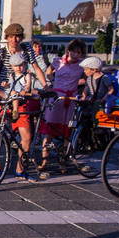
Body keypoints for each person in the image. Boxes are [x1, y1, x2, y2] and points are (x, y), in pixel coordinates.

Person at [38, 38, 86, 172]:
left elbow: (88, 76)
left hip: (70, 99)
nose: (76, 55)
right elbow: (48, 72)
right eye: (74, 52)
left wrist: (79, 83)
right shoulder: (57, 61)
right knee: (49, 132)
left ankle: (62, 164)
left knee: (67, 134)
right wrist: (53, 80)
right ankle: (44, 162)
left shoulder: (82, 64)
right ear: (68, 50)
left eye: (79, 53)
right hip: (56, 97)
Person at [0, 24, 48, 120]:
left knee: (24, 128)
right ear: (7, 38)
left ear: (21, 38)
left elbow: (36, 68)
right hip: (3, 92)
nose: (14, 40)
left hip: (21, 93)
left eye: (17, 37)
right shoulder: (0, 53)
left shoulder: (27, 50)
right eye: (11, 37)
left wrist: (45, 86)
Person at [5, 53, 38, 182]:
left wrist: (25, 91)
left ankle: (20, 168)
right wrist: (5, 86)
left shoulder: (27, 75)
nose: (19, 68)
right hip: (14, 104)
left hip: (22, 105)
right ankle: (20, 169)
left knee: (27, 139)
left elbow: (28, 87)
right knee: (26, 139)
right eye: (16, 65)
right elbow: (9, 85)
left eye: (21, 65)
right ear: (12, 66)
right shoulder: (12, 75)